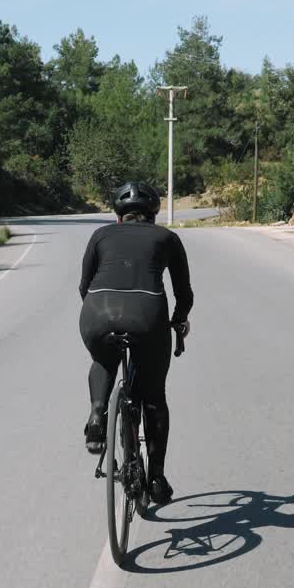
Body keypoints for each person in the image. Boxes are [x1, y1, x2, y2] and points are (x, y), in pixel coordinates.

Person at [78, 182, 193, 505]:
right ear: (153, 215)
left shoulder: (100, 235)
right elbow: (183, 293)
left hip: (97, 310)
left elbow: (84, 285)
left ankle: (98, 414)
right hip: (146, 315)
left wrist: (101, 322)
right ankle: (156, 478)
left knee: (102, 361)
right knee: (153, 396)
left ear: (118, 216)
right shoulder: (167, 238)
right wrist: (179, 320)